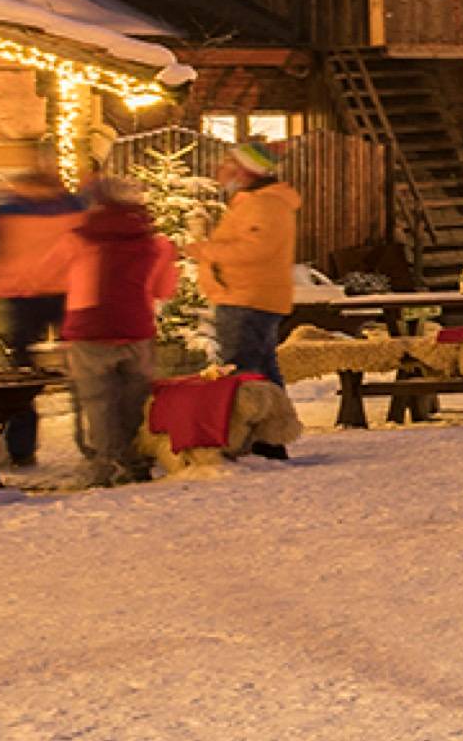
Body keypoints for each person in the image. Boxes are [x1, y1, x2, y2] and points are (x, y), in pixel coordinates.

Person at [54, 170, 177, 487]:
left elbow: (54, 274)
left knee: (99, 402)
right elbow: (164, 289)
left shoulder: (78, 238)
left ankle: (108, 465)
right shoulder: (156, 243)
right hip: (136, 327)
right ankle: (136, 462)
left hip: (90, 329)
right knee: (135, 399)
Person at [0, 142, 73, 468]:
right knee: (83, 369)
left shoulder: (6, 208)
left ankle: (21, 446)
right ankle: (97, 440)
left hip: (21, 297)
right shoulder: (71, 205)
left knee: (19, 377)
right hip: (67, 294)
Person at [197, 142, 299, 382]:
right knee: (261, 371)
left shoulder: (264, 204)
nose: (220, 168)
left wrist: (205, 251)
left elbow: (254, 250)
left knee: (242, 373)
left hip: (246, 300)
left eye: (228, 163)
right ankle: (276, 419)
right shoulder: (255, 202)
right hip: (244, 297)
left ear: (245, 170)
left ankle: (255, 419)